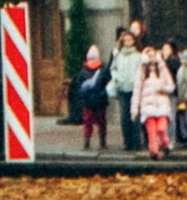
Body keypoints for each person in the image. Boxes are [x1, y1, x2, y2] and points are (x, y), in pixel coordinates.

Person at [133, 40, 177, 158]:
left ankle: (166, 144)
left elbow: (171, 86)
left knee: (162, 129)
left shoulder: (162, 69)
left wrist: (163, 89)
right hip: (148, 108)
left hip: (162, 106)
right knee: (152, 132)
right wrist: (134, 109)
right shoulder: (142, 71)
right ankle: (154, 152)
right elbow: (137, 91)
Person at [108, 26, 144, 155]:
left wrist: (137, 81)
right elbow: (113, 69)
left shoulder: (139, 56)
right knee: (124, 116)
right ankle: (127, 142)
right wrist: (116, 79)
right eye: (125, 41)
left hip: (135, 88)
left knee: (135, 115)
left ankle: (136, 141)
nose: (127, 43)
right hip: (122, 88)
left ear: (134, 41)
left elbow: (142, 71)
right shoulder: (118, 56)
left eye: (129, 40)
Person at [74, 44, 110, 151]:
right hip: (97, 100)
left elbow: (79, 86)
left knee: (92, 121)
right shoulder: (102, 70)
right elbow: (106, 83)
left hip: (92, 101)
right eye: (91, 58)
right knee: (98, 121)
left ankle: (92, 141)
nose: (92, 61)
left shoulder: (84, 71)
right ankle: (96, 141)